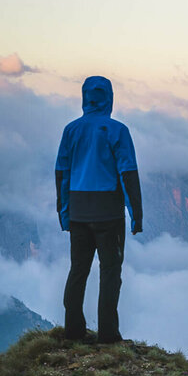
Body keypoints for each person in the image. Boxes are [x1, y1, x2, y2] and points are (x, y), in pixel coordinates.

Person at [55, 76, 142, 344]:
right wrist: (136, 215)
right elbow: (128, 174)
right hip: (108, 214)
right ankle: (108, 335)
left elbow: (62, 175)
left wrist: (64, 214)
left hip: (79, 212)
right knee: (110, 273)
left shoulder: (71, 130)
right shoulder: (117, 130)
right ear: (110, 98)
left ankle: (73, 331)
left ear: (85, 97)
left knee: (78, 271)